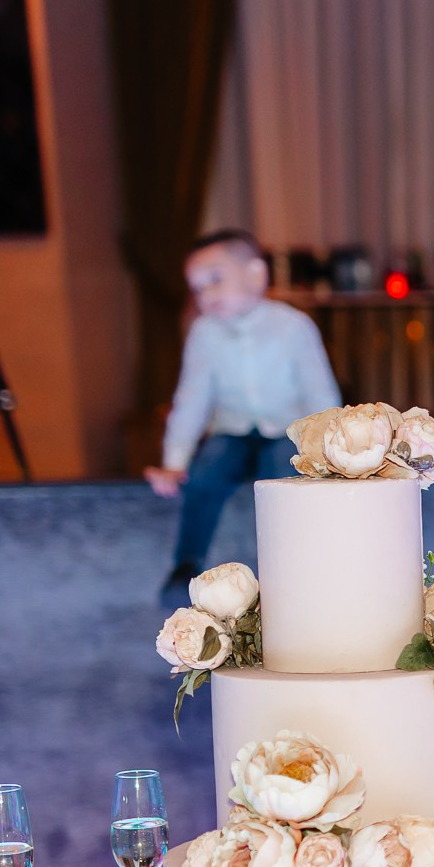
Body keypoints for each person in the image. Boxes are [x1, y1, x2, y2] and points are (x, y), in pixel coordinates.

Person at [146, 229, 341, 607]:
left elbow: (321, 395)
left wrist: (329, 452)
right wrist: (174, 462)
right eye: (198, 288)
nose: (207, 295)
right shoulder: (204, 333)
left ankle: (289, 571)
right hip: (232, 431)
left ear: (256, 274)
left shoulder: (294, 326)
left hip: (287, 430)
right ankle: (186, 563)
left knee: (280, 476)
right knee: (206, 471)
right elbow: (192, 399)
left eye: (215, 279)